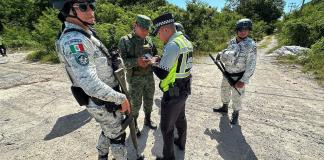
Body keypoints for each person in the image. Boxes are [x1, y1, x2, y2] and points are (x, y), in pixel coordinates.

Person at [53, 0, 130, 159]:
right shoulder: (75, 40)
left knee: (108, 129)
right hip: (103, 100)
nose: (91, 11)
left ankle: (102, 156)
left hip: (105, 98)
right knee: (117, 136)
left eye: (91, 6)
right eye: (83, 7)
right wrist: (121, 98)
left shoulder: (85, 32)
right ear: (68, 11)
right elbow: (90, 84)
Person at [151, 13, 193, 160]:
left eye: (158, 33)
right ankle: (181, 143)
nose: (158, 37)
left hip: (173, 91)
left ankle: (168, 158)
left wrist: (152, 63)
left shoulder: (172, 45)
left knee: (166, 128)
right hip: (185, 86)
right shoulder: (185, 41)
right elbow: (177, 62)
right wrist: (160, 59)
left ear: (165, 30)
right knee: (180, 118)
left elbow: (162, 73)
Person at [118, 15, 158, 137]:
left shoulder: (149, 40)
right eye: (143, 29)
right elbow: (122, 62)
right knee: (135, 104)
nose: (146, 32)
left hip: (149, 77)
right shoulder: (124, 41)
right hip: (135, 79)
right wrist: (137, 62)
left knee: (149, 100)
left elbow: (155, 54)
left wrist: (155, 59)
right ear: (135, 25)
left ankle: (147, 119)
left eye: (147, 29)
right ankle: (134, 124)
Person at [212, 18, 257, 125]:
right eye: (241, 29)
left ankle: (235, 113)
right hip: (227, 73)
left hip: (239, 76)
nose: (243, 31)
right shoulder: (232, 41)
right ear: (237, 30)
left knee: (237, 96)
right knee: (224, 91)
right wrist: (221, 54)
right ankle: (224, 106)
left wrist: (244, 80)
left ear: (249, 30)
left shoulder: (251, 44)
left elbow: (251, 64)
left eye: (246, 29)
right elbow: (228, 54)